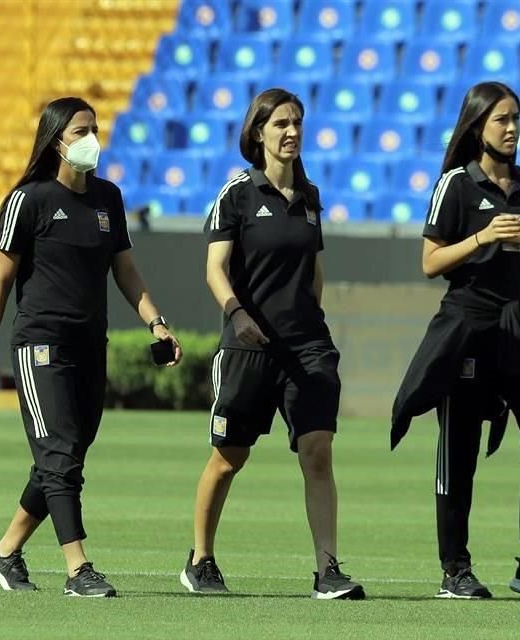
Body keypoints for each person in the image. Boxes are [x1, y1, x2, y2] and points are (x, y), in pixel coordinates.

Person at [0, 96, 182, 598]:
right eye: (80, 131)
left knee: (65, 459)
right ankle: (78, 568)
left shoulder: (108, 198)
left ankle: (3, 553)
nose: (92, 140)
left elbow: (126, 271)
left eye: (94, 129)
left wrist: (157, 323)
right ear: (55, 141)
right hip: (41, 346)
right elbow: (1, 280)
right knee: (59, 456)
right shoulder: (30, 199)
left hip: (91, 347)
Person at [391, 82, 520, 601]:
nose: (513, 128)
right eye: (502, 119)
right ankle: (455, 568)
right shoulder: (454, 184)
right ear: (478, 126)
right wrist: (480, 237)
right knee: (460, 451)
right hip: (466, 332)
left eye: (517, 117)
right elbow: (429, 262)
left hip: (518, 333)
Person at [179, 88, 364, 600]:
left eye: (298, 123)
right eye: (281, 123)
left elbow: (315, 272)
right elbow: (215, 269)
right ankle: (201, 559)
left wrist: (311, 322)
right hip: (248, 349)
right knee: (228, 458)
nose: (292, 132)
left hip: (307, 349)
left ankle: (328, 570)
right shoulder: (236, 194)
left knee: (318, 452)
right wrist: (237, 315)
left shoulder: (310, 199)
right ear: (257, 132)